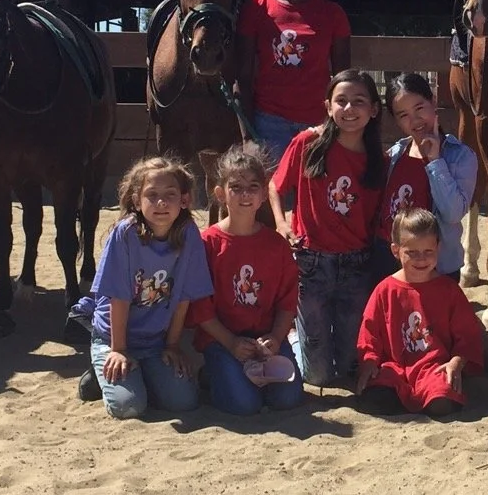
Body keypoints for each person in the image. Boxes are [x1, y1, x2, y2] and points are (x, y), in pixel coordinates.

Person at [73, 156, 212, 420]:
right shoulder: (126, 234)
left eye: (170, 194)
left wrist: (172, 344)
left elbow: (183, 295)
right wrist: (119, 349)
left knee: (184, 401)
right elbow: (119, 297)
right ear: (137, 201)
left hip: (155, 341)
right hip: (115, 336)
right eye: (152, 195)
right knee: (129, 407)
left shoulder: (189, 234)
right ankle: (98, 369)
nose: (161, 203)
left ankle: (142, 374)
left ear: (183, 200)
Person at [269, 70, 384, 387]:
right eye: (341, 101)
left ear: (374, 109)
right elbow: (276, 187)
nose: (349, 109)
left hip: (356, 265)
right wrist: (281, 223)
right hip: (312, 264)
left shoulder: (379, 161)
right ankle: (295, 339)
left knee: (347, 367)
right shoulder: (308, 143)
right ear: (328, 106)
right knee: (318, 377)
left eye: (358, 102)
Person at [190, 145, 305, 416]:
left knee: (287, 399)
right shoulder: (207, 244)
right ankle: (213, 374)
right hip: (221, 339)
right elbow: (199, 306)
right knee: (245, 405)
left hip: (264, 340)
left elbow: (287, 302)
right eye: (236, 187)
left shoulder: (276, 246)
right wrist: (230, 342)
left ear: (264, 194)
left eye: (253, 187)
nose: (245, 194)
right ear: (220, 194)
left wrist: (276, 338)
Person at [236, 0, 352, 164]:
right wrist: (248, 136)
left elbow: (343, 79)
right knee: (274, 196)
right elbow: (243, 77)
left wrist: (339, 128)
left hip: (317, 124)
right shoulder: (256, 9)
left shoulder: (333, 14)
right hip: (268, 123)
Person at [355, 209, 485, 417]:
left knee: (441, 400)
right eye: (412, 252)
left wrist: (456, 362)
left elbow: (467, 334)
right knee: (376, 399)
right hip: (395, 367)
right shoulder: (385, 289)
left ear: (438, 248)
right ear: (396, 251)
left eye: (428, 252)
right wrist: (369, 362)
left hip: (434, 367)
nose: (421, 259)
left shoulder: (448, 290)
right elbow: (370, 333)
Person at [371, 72, 479, 282]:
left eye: (419, 108)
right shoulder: (395, 155)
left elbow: (453, 213)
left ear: (434, 101)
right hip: (389, 261)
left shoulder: (460, 157)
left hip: (435, 266)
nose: (415, 120)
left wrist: (436, 161)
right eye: (403, 115)